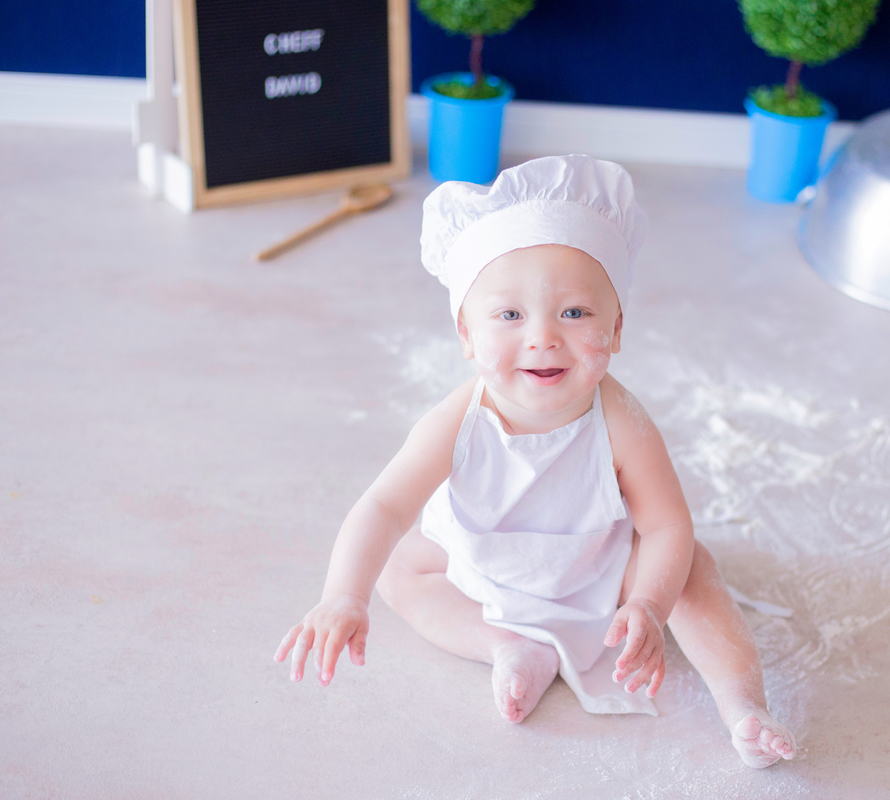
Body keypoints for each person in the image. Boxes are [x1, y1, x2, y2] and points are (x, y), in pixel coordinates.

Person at [274, 155, 795, 768]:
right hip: (483, 569)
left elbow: (665, 526)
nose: (543, 336)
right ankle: (507, 645)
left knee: (695, 570)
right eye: (510, 315)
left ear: (617, 327)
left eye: (575, 312)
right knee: (395, 571)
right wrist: (343, 596)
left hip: (599, 574)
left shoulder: (622, 421)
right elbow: (384, 506)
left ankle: (744, 708)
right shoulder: (455, 419)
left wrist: (649, 604)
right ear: (466, 335)